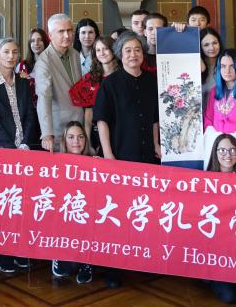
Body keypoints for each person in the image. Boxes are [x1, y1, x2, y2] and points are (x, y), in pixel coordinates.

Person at [92, 33, 160, 289]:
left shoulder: (152, 81)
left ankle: (140, 260)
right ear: (120, 55)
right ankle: (113, 269)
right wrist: (109, 155)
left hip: (147, 155)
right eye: (128, 50)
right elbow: (102, 121)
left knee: (142, 209)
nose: (133, 54)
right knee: (118, 213)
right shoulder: (110, 84)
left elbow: (154, 118)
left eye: (137, 50)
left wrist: (156, 144)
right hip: (121, 154)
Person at [0, 38, 37, 275]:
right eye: (6, 52)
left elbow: (30, 115)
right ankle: (1, 254)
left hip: (23, 150)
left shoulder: (23, 83)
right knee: (1, 205)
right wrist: (11, 151)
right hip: (0, 153)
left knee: (20, 204)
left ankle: (20, 250)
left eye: (14, 52)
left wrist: (24, 144)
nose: (11, 56)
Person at [204, 134, 236, 303]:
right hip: (216, 252)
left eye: (232, 150)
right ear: (215, 153)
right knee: (231, 297)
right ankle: (207, 277)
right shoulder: (203, 181)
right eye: (222, 150)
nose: (228, 154)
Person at [52, 122, 97, 284]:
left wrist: (102, 168)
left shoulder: (95, 162)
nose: (76, 141)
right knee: (65, 269)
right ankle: (58, 254)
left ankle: (87, 262)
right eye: (71, 137)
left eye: (80, 137)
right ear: (64, 140)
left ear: (85, 140)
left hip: (86, 217)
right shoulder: (55, 162)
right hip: (64, 217)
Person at [34, 14, 82, 153]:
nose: (67, 35)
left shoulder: (75, 54)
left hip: (79, 125)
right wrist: (47, 133)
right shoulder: (43, 61)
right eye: (61, 31)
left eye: (69, 30)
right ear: (50, 35)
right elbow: (44, 98)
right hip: (58, 129)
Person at [69, 37, 117, 153]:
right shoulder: (91, 79)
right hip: (98, 132)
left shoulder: (123, 75)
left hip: (120, 129)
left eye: (106, 49)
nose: (102, 53)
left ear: (113, 50)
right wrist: (88, 141)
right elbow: (89, 113)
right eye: (98, 50)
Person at [199, 27, 222, 95]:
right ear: (200, 47)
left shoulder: (227, 64)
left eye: (214, 43)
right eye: (206, 45)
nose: (211, 48)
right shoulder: (197, 66)